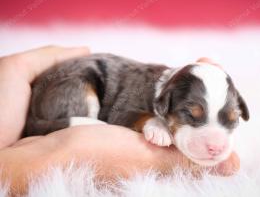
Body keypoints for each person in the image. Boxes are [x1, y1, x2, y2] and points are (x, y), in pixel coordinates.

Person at [0, 46, 240, 195]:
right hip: (77, 84)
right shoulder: (151, 94)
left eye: (230, 120)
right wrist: (150, 122)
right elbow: (120, 115)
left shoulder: (174, 95)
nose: (216, 141)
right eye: (192, 117)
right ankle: (69, 121)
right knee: (81, 87)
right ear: (163, 103)